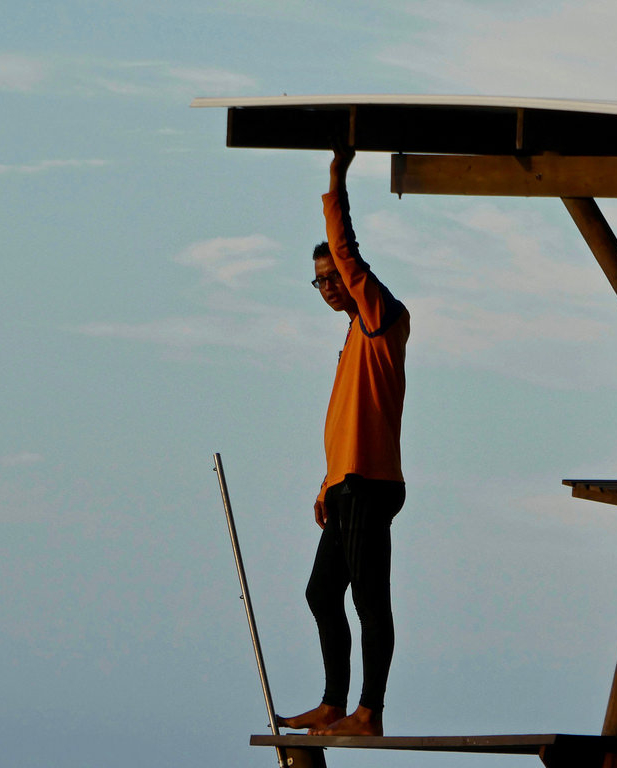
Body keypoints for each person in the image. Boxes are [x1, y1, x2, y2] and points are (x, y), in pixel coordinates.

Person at [278, 144, 409, 737]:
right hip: (348, 485)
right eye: (320, 280)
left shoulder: (381, 319)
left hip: (371, 484)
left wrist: (336, 177)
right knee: (320, 592)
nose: (330, 285)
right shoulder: (353, 343)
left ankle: (369, 712)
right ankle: (335, 703)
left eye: (334, 275)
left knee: (368, 599)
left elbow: (351, 257)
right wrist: (326, 483)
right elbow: (348, 423)